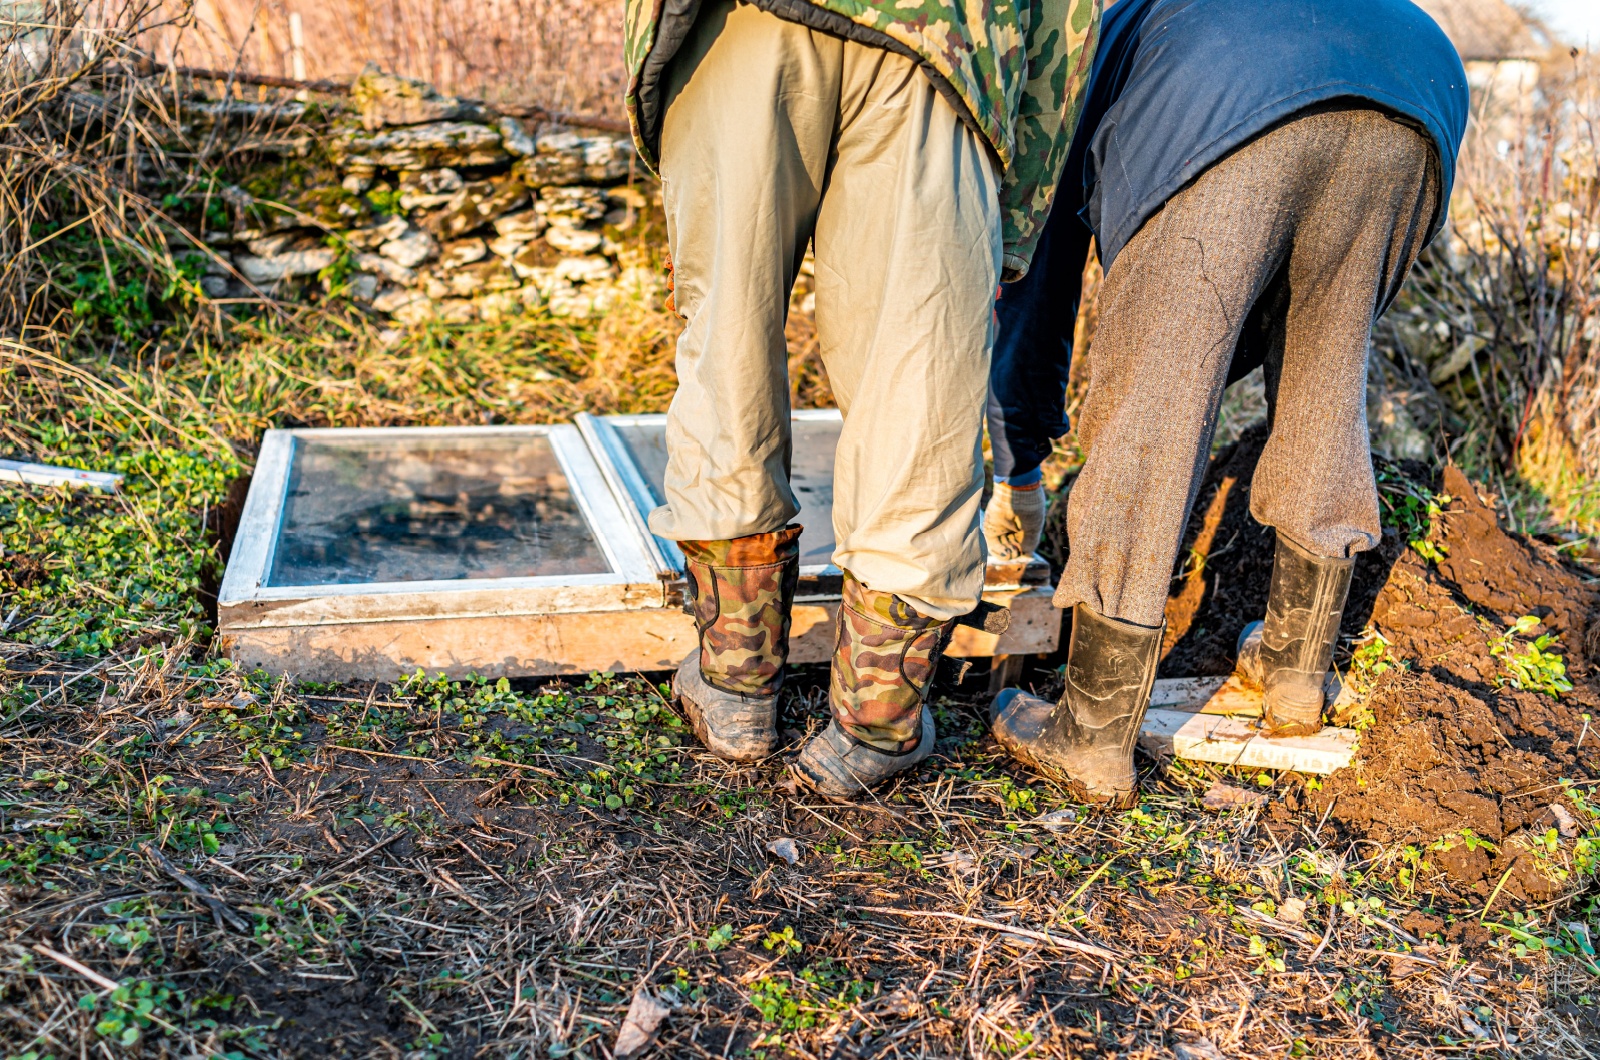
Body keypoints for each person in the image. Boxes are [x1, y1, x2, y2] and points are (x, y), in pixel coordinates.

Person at [981, 0, 1470, 807]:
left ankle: (1094, 738)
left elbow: (1044, 276)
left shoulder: (1127, 27)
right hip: (1416, 89)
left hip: (1225, 101)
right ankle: (1294, 674)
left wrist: (1018, 449)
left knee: (1155, 406)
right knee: (1327, 371)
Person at [622, 0, 1102, 795]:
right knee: (919, 373)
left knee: (727, 343)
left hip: (742, 23)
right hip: (948, 42)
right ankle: (874, 726)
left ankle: (737, 684)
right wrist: (1015, 213)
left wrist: (653, 81)